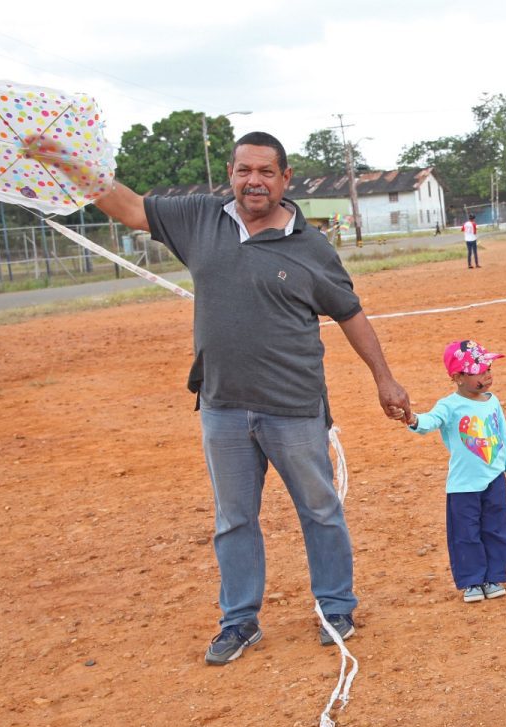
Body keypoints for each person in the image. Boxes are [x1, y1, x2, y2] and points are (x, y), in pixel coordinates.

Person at [61, 131, 412, 665]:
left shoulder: (310, 245)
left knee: (319, 509)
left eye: (267, 172)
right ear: (230, 173)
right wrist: (64, 159)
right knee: (234, 519)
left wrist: (384, 378)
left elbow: (349, 313)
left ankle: (335, 607)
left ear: (285, 179)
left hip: (294, 405)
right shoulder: (201, 219)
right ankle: (240, 620)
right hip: (223, 405)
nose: (255, 181)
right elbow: (129, 207)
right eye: (245, 170)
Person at [403, 340, 506, 602]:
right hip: (463, 485)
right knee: (465, 533)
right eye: (479, 371)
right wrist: (413, 419)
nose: (487, 375)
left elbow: (502, 434)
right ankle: (472, 581)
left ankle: (494, 576)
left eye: (488, 368)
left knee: (496, 529)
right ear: (457, 377)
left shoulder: (492, 401)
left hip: (494, 479)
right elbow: (429, 422)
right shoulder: (449, 405)